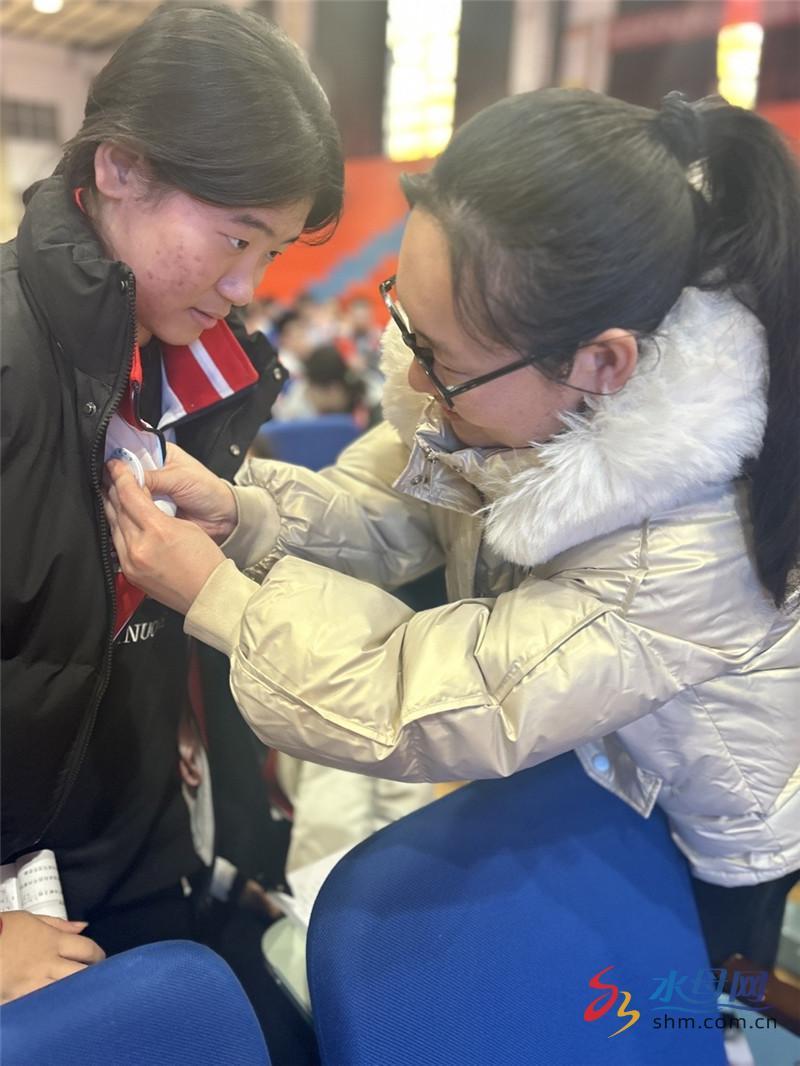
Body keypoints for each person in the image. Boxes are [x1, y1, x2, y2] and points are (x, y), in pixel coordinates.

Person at [104, 88, 799, 971]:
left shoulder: (682, 547)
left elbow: (425, 699)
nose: (416, 384)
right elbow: (395, 505)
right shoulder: (501, 388)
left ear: (601, 363)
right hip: (577, 780)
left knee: (667, 1013)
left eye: (442, 361)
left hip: (698, 838)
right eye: (409, 326)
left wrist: (221, 599)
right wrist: (246, 513)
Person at [1, 0, 343, 1019]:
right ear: (119, 167)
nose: (245, 285)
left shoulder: (196, 370)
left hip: (150, 857)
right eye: (236, 237)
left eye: (271, 252)